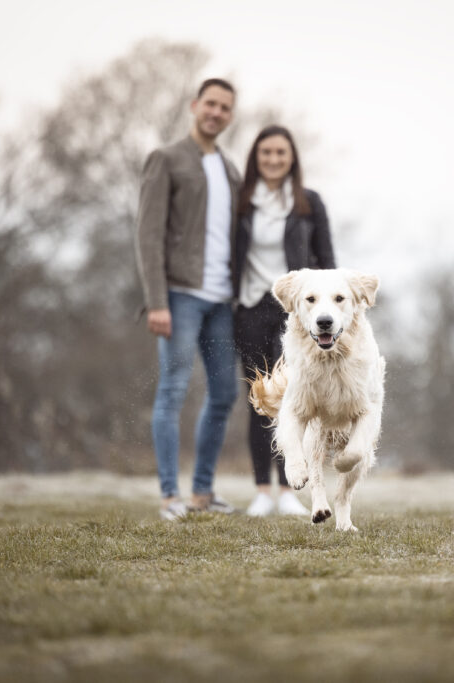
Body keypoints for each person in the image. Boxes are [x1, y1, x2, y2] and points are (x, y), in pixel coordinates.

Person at [135, 78, 242, 521]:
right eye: (210, 104)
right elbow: (148, 233)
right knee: (173, 392)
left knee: (223, 394)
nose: (216, 112)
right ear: (194, 105)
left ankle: (201, 493)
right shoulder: (166, 159)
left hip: (222, 302)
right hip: (179, 297)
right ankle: (168, 497)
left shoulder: (231, 169)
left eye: (225, 108)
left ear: (231, 116)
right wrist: (156, 300)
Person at [232, 125, 336, 516]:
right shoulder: (241, 204)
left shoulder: (309, 202)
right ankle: (262, 490)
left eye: (281, 153)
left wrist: (330, 309)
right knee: (260, 399)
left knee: (297, 399)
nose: (274, 160)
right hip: (250, 309)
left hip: (298, 312)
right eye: (266, 153)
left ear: (292, 158)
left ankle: (294, 489)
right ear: (256, 159)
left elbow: (327, 261)